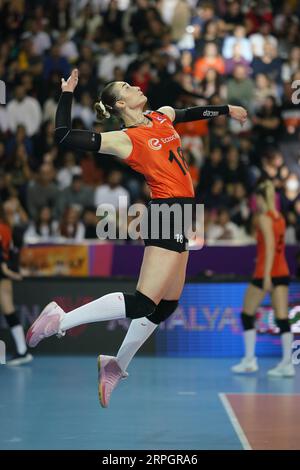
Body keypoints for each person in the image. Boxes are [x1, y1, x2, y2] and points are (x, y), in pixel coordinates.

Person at [26, 69, 247, 407]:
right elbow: (64, 135)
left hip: (183, 215)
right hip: (165, 213)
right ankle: (61, 318)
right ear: (119, 103)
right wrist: (67, 93)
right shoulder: (124, 138)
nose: (137, 86)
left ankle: (114, 366)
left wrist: (226, 109)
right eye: (128, 87)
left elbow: (188, 114)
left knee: (166, 306)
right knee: (144, 303)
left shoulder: (161, 116)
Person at [232, 180, 295, 377]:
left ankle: (250, 360)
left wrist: (266, 276)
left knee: (246, 314)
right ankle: (287, 363)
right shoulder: (280, 218)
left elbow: (268, 249)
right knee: (283, 318)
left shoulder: (263, 218)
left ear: (260, 198)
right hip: (282, 271)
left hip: (264, 273)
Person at [0, 203, 33, 366]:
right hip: (5, 273)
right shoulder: (6, 228)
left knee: (8, 309)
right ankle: (22, 351)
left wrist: (8, 270)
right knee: (8, 310)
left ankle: (22, 351)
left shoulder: (3, 228)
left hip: (3, 274)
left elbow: (4, 256)